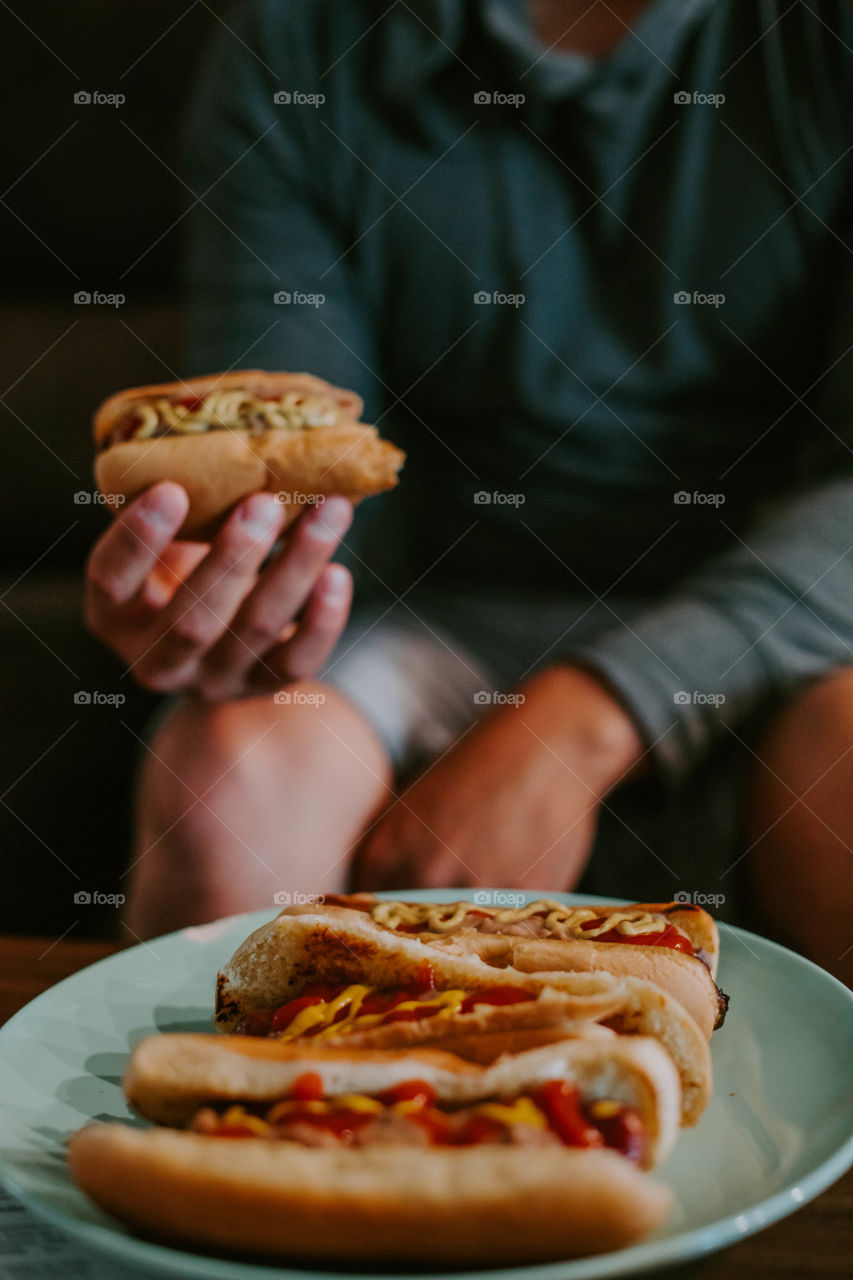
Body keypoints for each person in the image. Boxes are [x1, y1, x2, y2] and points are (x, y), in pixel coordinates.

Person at [86, 0, 853, 984]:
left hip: (779, 631)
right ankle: (260, 1123)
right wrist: (246, 591)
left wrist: (579, 721)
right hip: (419, 621)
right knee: (228, 784)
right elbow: (297, 434)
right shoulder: (298, 39)